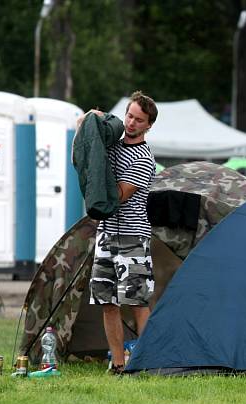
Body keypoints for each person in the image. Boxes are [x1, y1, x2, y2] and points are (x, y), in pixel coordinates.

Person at [81, 91, 158, 375]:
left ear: (149, 125)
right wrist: (93, 119)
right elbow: (84, 129)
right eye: (129, 116)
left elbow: (118, 196)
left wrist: (98, 175)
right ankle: (118, 364)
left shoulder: (144, 158)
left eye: (139, 120)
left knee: (136, 301)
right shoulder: (111, 143)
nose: (131, 123)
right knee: (107, 302)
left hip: (132, 237)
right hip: (105, 235)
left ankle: (145, 363)